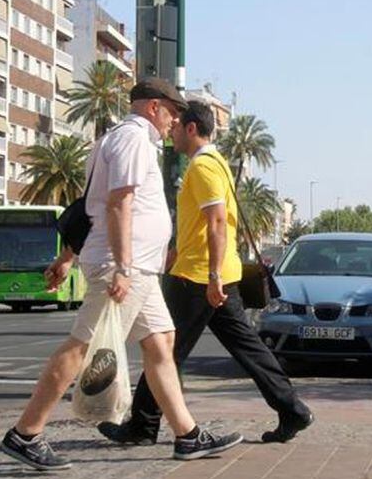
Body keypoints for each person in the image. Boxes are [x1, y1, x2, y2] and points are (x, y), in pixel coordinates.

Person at [0, 79, 242, 471]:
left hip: (138, 268)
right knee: (81, 346)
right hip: (124, 267)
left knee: (162, 343)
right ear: (152, 107)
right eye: (172, 112)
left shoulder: (117, 140)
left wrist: (68, 256)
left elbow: (88, 205)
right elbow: (116, 205)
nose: (175, 121)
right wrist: (123, 266)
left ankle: (188, 435)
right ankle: (25, 433)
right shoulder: (131, 140)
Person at [98, 100, 314, 448]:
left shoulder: (203, 168)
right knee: (245, 348)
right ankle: (292, 410)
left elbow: (216, 221)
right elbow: (203, 225)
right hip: (209, 272)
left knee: (163, 351)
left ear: (191, 129)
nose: (171, 132)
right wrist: (174, 253)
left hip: (199, 278)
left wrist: (212, 276)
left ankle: (142, 425)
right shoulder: (216, 164)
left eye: (176, 126)